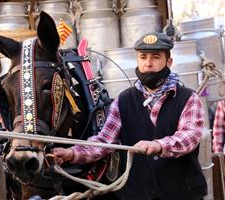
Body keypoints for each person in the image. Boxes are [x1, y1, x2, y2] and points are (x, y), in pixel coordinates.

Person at [53, 32, 207, 199]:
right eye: (143, 57)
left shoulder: (188, 98)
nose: (148, 63)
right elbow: (105, 141)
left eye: (155, 57)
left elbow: (190, 136)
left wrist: (159, 145)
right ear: (137, 60)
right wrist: (72, 154)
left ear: (168, 61)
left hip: (182, 193)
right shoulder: (123, 100)